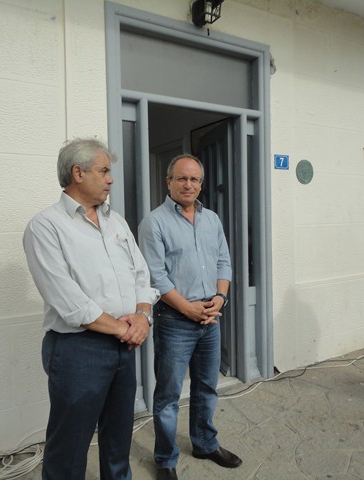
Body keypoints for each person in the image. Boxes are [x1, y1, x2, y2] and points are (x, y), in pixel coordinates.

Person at [23, 138, 160, 480]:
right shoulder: (46, 226)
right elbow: (68, 299)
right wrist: (126, 328)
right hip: (78, 350)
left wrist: (143, 316)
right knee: (69, 449)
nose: (111, 179)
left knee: (118, 440)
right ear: (78, 173)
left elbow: (141, 274)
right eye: (104, 171)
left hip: (124, 346)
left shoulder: (117, 222)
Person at [138, 154, 242, 480]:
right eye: (182, 178)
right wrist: (188, 308)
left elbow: (224, 262)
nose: (188, 184)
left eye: (194, 179)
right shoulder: (154, 223)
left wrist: (220, 298)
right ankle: (165, 460)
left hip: (210, 317)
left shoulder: (212, 219)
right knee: (168, 396)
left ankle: (205, 444)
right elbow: (155, 276)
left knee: (207, 387)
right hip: (175, 321)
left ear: (201, 184)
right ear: (168, 182)